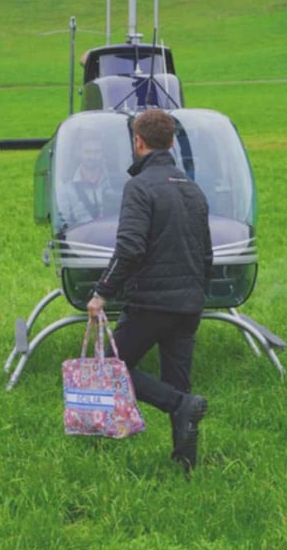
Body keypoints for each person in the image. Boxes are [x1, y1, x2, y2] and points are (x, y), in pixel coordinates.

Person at [88, 108, 212, 472]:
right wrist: (197, 293)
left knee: (110, 366)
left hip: (152, 303)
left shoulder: (139, 187)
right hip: (190, 303)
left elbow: (129, 248)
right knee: (178, 381)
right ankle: (185, 464)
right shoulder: (193, 188)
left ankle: (179, 406)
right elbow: (206, 253)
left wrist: (101, 293)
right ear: (172, 141)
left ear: (137, 142)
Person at [63, 137, 116, 226]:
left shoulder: (115, 181)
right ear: (79, 153)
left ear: (103, 153)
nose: (92, 156)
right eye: (87, 152)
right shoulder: (67, 188)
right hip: (81, 237)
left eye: (97, 152)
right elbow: (63, 223)